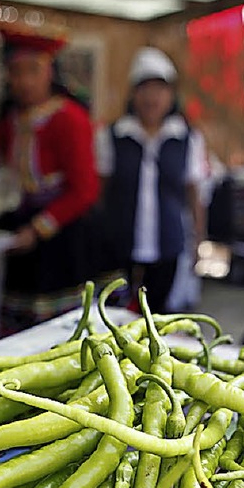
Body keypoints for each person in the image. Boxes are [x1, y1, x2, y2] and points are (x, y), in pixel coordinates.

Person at [0, 25, 99, 333]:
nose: (24, 81)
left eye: (33, 70)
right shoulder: (10, 120)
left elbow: (84, 191)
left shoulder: (70, 118)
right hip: (23, 232)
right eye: (16, 72)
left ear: (50, 71)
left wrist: (37, 229)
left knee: (59, 331)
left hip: (62, 235)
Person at [96, 46, 207, 314]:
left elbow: (194, 193)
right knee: (116, 312)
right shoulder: (113, 136)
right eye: (144, 88)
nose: (152, 98)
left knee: (156, 315)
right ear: (133, 93)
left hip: (167, 244)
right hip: (119, 243)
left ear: (171, 96)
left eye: (160, 89)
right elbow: (100, 191)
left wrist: (198, 242)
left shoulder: (187, 138)